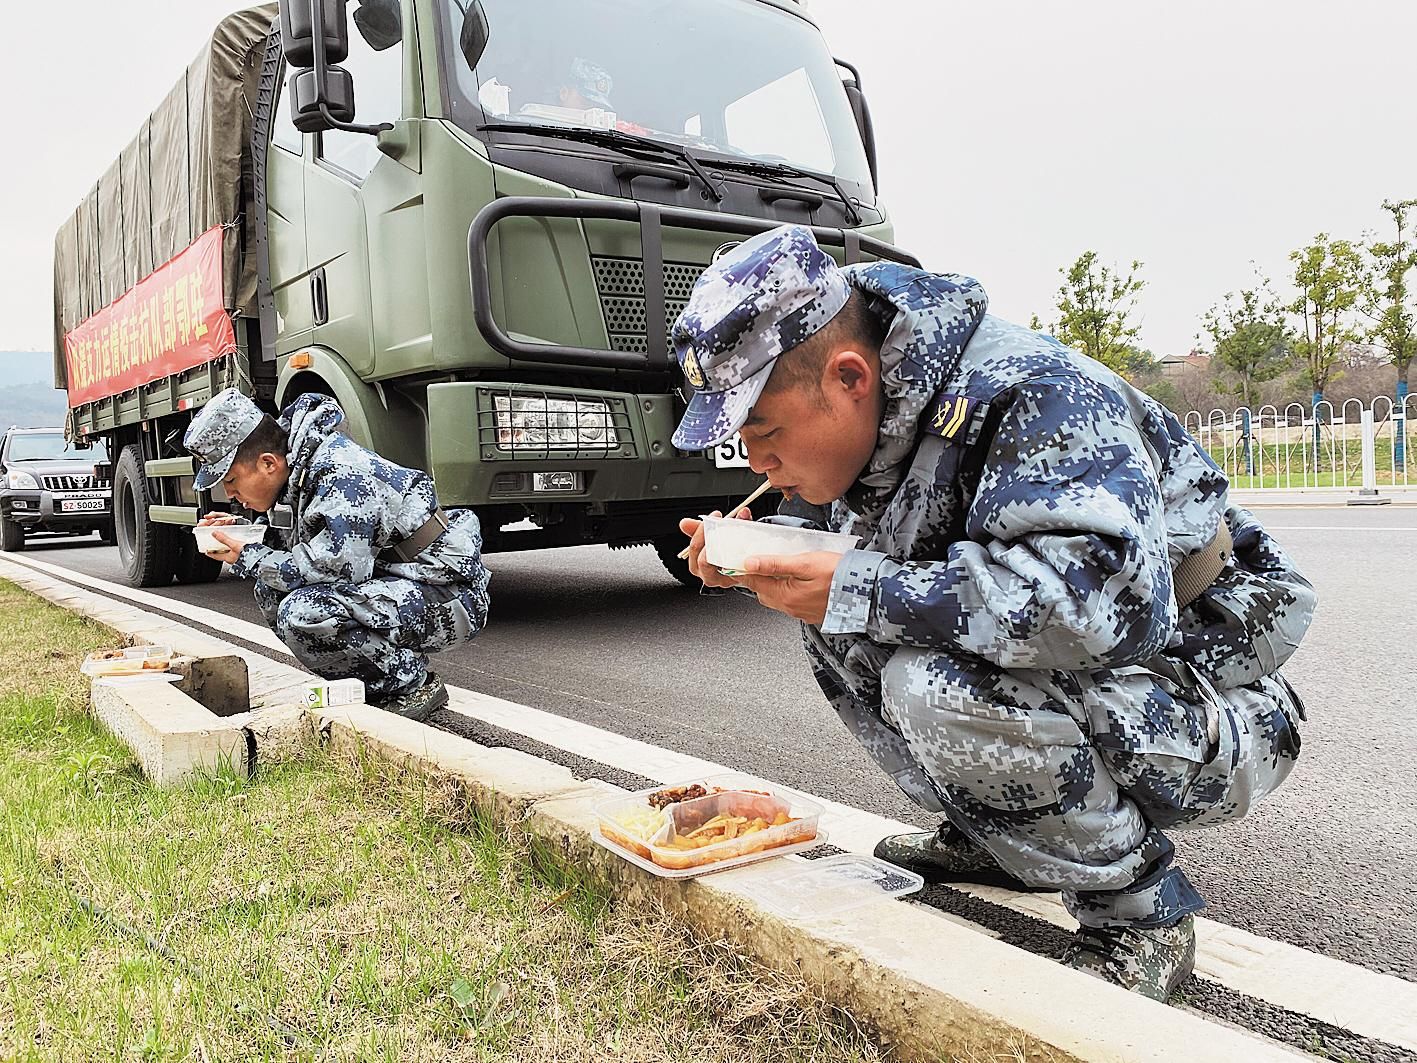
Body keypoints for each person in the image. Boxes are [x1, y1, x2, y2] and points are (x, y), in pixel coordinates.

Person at [674, 226, 1315, 1001]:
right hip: (1103, 680)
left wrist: (857, 584)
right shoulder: (886, 405)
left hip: (1202, 701)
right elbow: (864, 546)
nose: (755, 462)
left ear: (847, 376)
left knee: (926, 679)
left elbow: (1104, 611)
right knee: (843, 617)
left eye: (764, 431)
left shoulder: (1035, 392)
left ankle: (1139, 914)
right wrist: (755, 556)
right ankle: (1001, 832)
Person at [183, 389, 491, 721]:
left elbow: (336, 572)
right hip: (401, 581)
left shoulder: (339, 472)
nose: (228, 493)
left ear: (268, 464)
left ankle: (409, 684)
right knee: (272, 590)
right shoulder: (299, 467)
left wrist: (249, 556)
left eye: (231, 480)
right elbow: (305, 541)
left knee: (306, 612)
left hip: (451, 595)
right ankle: (367, 684)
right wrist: (245, 533)